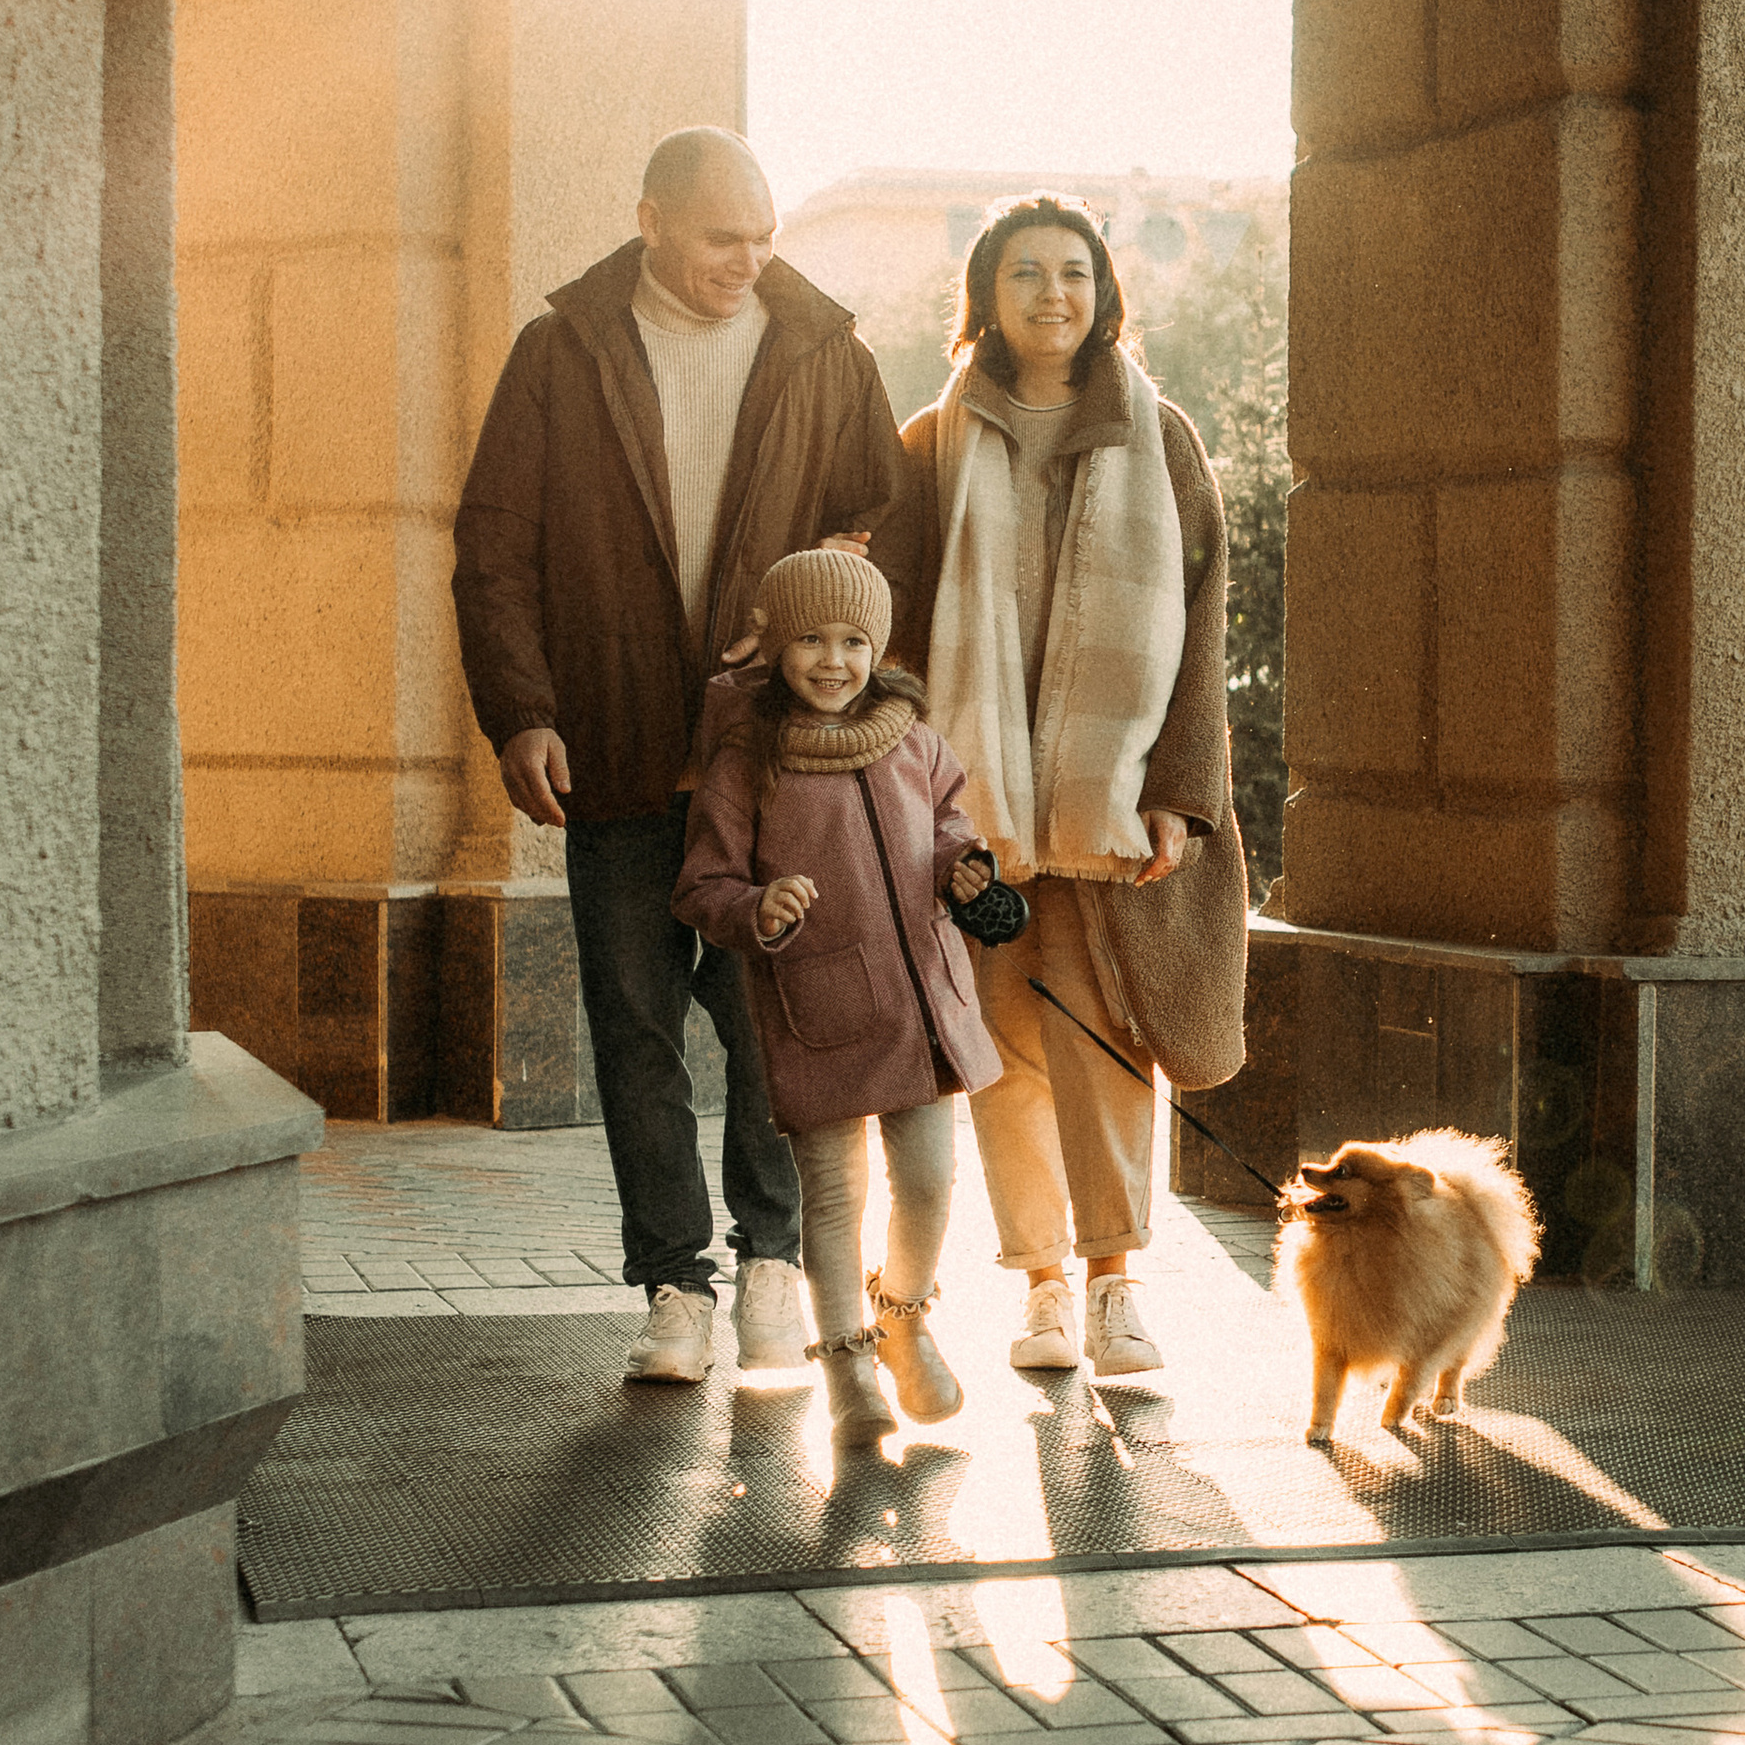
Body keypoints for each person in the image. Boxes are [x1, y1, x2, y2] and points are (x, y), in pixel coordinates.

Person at [452, 128, 911, 1386]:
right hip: (609, 744)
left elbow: (872, 520)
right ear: (650, 218)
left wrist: (818, 632)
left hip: (771, 761)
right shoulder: (560, 352)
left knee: (771, 1022)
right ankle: (673, 1285)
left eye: (763, 238)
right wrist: (521, 711)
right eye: (722, 238)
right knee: (634, 1031)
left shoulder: (825, 351)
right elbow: (495, 551)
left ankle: (773, 1260)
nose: (747, 261)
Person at [898, 194, 1249, 1375]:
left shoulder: (1166, 438)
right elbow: (891, 642)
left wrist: (1181, 795)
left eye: (1074, 273)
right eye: (1024, 274)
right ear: (985, 299)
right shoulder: (930, 445)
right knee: (1000, 1042)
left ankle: (1114, 1284)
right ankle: (1041, 1284)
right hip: (977, 817)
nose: (1053, 294)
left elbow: (1201, 636)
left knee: (1104, 1037)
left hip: (1109, 813)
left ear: (1104, 294)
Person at [673, 545, 996, 1451]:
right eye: (810, 638)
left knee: (930, 1182)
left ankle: (904, 1317)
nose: (833, 659)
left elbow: (950, 830)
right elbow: (702, 886)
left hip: (922, 1006)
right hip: (815, 1012)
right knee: (832, 1197)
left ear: (879, 647)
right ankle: (849, 1358)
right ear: (775, 647)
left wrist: (966, 871)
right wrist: (755, 908)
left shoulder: (914, 741)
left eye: (854, 639)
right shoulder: (750, 760)